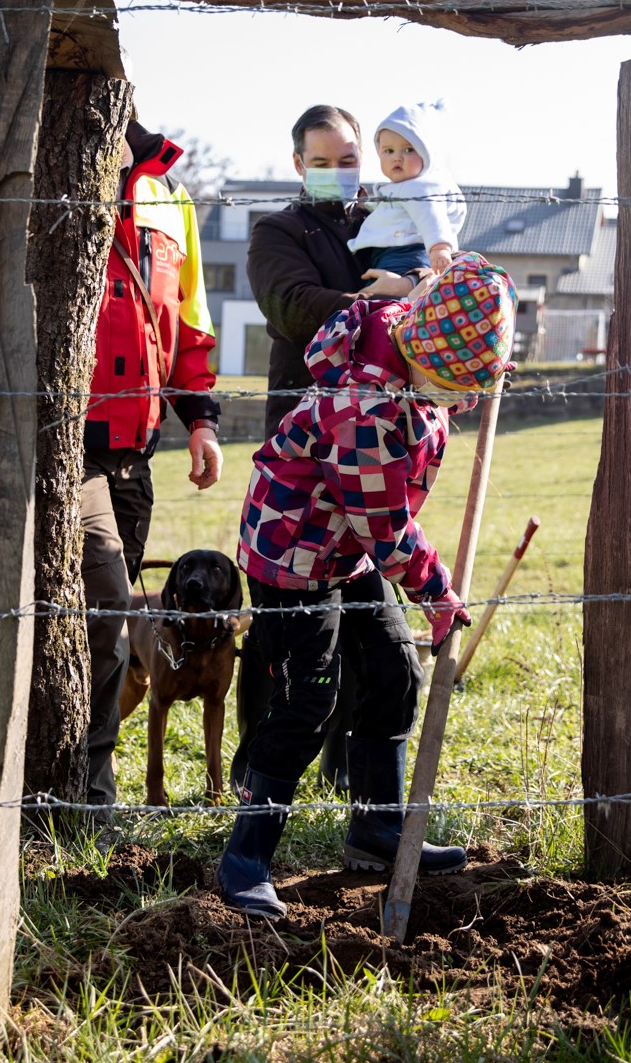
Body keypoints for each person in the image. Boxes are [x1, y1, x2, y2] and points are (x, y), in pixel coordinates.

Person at [218, 254, 519, 919]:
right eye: (451, 385)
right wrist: (437, 591)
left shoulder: (413, 348)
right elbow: (385, 529)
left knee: (392, 674)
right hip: (294, 553)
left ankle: (377, 828)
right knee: (308, 701)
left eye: (474, 387)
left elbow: (450, 276)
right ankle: (246, 858)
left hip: (348, 549)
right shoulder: (363, 410)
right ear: (418, 352)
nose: (463, 401)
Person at [236, 104, 417, 794]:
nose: (340, 174)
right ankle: (252, 808)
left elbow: (434, 265)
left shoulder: (387, 219)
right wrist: (391, 305)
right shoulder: (277, 232)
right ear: (297, 166)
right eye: (324, 162)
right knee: (299, 669)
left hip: (373, 460)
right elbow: (290, 303)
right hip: (306, 473)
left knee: (392, 661)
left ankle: (375, 822)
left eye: (349, 161)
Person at [81, 118, 224, 810]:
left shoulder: (172, 197)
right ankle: (88, 792)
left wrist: (200, 420)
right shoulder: (47, 167)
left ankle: (81, 780)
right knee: (97, 614)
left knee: (103, 627)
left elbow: (187, 322)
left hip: (135, 451)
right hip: (63, 440)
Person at [350, 102, 465, 279]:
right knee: (382, 295)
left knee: (384, 298)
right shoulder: (404, 186)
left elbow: (432, 216)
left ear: (427, 154)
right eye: (388, 151)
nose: (397, 157)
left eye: (409, 149)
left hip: (407, 252)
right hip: (394, 251)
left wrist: (439, 247)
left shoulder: (420, 187)